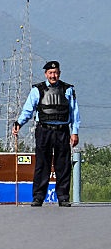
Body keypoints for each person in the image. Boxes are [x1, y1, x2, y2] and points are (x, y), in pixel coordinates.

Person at [13, 60, 81, 207]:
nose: (53, 75)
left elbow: (74, 112)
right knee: (42, 164)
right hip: (44, 130)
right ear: (45, 74)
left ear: (59, 73)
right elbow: (28, 109)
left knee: (63, 165)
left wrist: (74, 132)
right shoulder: (37, 90)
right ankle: (38, 197)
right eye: (50, 73)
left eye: (55, 73)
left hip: (62, 131)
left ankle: (63, 197)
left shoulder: (68, 89)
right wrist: (19, 123)